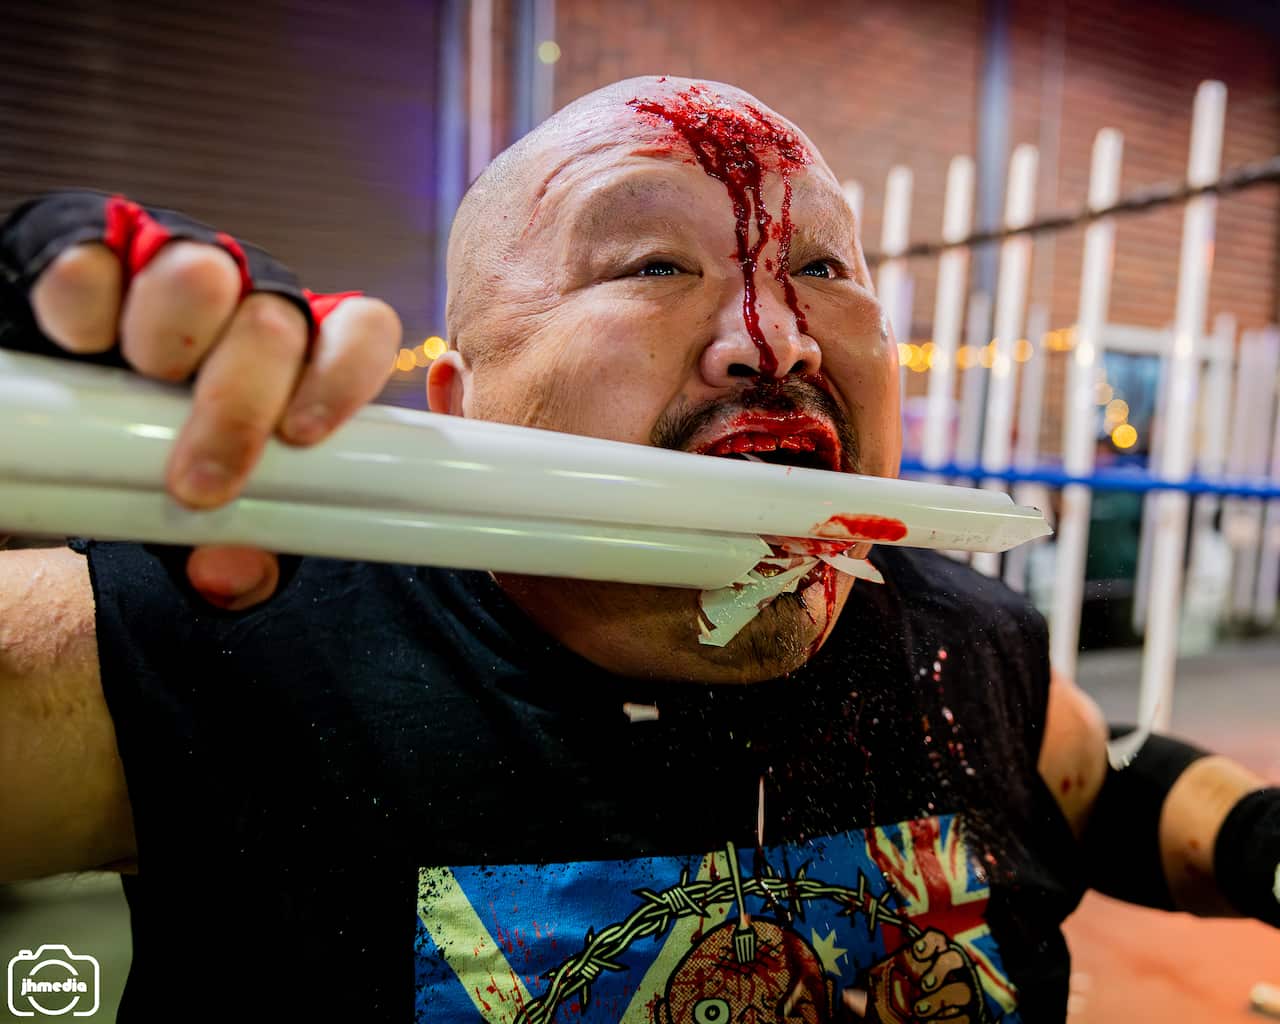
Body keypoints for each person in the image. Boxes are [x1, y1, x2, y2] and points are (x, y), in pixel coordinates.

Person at [0, 76, 1276, 1023]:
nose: (773, 338)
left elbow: (1098, 779)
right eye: (653, 259)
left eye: (823, 261)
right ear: (461, 402)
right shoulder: (240, 636)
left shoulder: (952, 629)